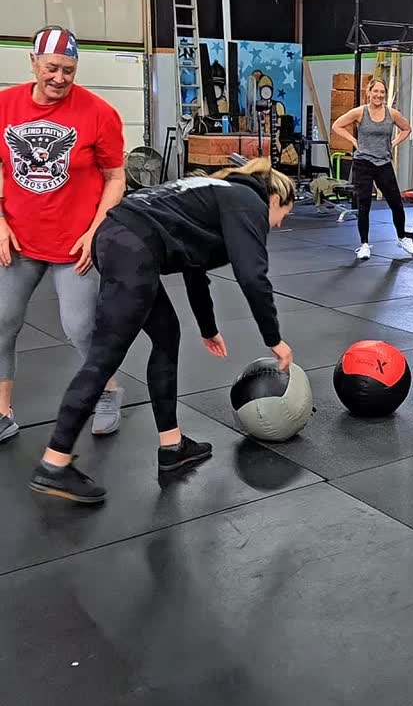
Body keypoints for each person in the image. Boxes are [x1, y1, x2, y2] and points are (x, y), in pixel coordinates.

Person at [29, 158, 296, 505]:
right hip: (132, 246)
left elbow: (194, 268)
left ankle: (172, 446)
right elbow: (252, 276)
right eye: (284, 214)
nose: (279, 223)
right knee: (104, 357)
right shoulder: (249, 202)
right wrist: (274, 339)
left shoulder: (217, 192)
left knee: (167, 335)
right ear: (275, 198)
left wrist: (208, 328)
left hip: (119, 238)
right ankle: (54, 463)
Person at [0, 25, 126, 444]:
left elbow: (116, 176)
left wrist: (96, 230)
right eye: (51, 68)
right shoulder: (5, 106)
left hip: (75, 243)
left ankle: (107, 390)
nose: (59, 78)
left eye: (68, 70)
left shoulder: (98, 112)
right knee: (1, 323)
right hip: (19, 240)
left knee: (80, 327)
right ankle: (2, 412)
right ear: (33, 62)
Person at [331, 77, 413, 260]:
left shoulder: (392, 114)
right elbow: (337, 125)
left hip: (383, 163)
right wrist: (354, 141)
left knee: (396, 203)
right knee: (364, 205)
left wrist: (393, 143)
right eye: (375, 91)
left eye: (382, 92)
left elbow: (406, 129)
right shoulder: (360, 112)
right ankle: (364, 244)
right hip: (363, 163)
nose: (379, 95)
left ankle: (402, 238)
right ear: (369, 93)